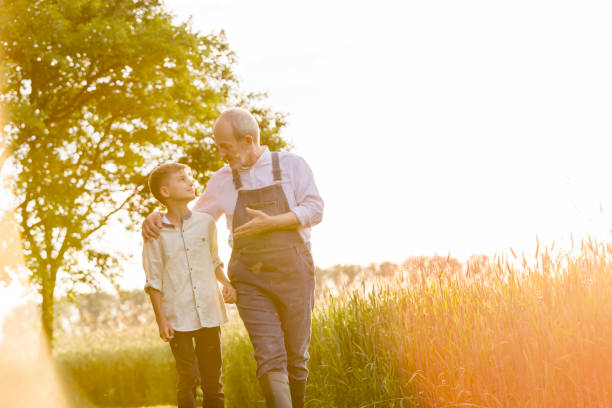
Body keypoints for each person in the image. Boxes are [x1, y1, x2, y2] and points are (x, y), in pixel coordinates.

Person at [143, 108, 324, 408]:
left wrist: (275, 222)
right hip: (250, 280)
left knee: (296, 357)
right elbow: (188, 219)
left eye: (225, 146)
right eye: (218, 146)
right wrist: (155, 216)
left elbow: (316, 209)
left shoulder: (291, 166)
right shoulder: (222, 180)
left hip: (295, 274)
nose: (220, 154)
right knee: (268, 353)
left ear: (248, 140)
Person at [142, 162, 237, 408]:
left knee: (213, 382)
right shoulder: (155, 232)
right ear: (165, 192)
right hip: (177, 317)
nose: (190, 182)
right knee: (188, 378)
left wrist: (226, 283)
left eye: (190, 178)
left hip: (209, 312)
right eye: (182, 179)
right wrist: (161, 320)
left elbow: (213, 260)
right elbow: (153, 281)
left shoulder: (206, 222)